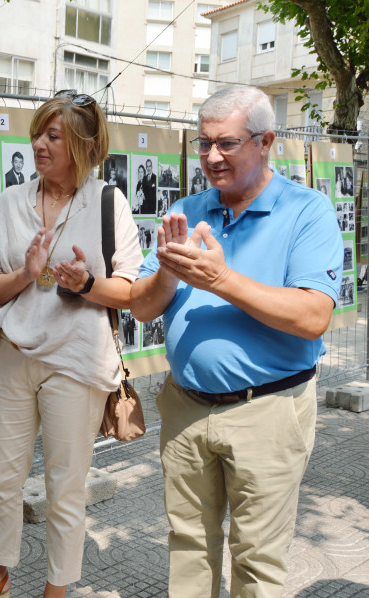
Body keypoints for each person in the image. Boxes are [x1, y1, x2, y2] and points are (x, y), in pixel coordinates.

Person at [130, 86, 342, 598]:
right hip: (184, 408)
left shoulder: (307, 212)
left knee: (257, 561)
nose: (211, 157)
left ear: (266, 141)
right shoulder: (187, 208)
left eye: (226, 143)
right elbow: (140, 307)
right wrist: (167, 270)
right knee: (188, 547)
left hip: (267, 410)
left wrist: (220, 280)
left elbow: (314, 316)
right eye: (203, 144)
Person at [0, 91, 142, 598]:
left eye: (53, 135)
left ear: (84, 145)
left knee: (66, 486)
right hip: (12, 355)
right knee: (1, 477)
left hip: (75, 361)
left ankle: (57, 587)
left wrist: (85, 283)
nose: (38, 144)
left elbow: (128, 292)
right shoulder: (11, 202)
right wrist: (26, 273)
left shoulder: (108, 202)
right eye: (38, 133)